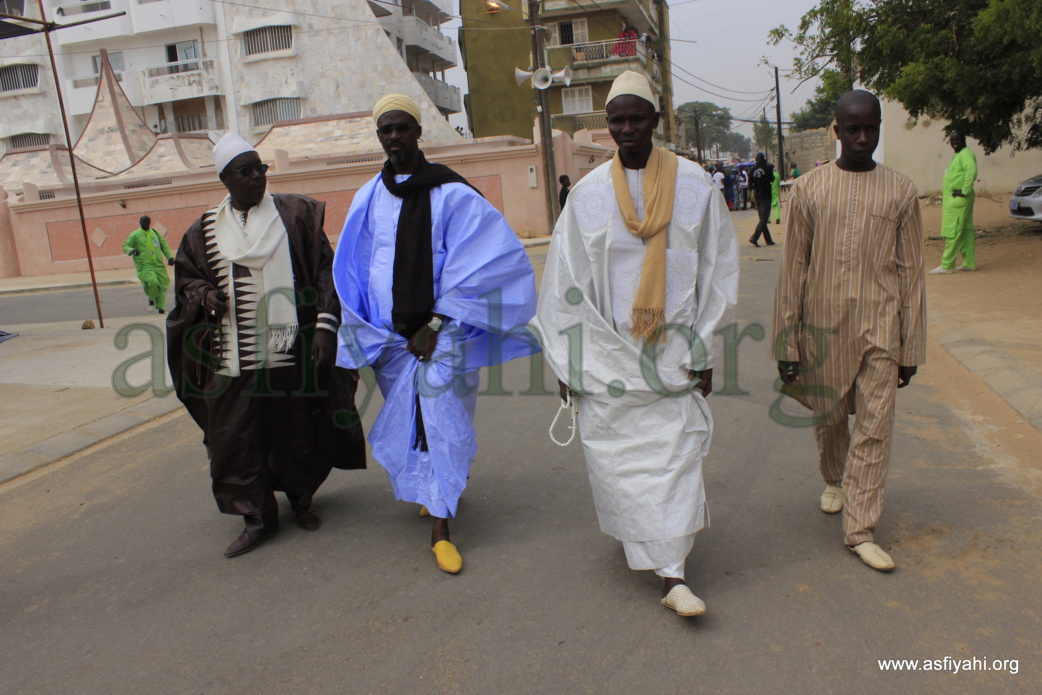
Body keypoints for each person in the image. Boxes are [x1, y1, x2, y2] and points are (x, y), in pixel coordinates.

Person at [532, 71, 739, 617]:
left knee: (673, 458)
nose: (627, 128)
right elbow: (566, 283)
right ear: (608, 125)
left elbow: (717, 272)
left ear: (655, 120)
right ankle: (648, 544)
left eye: (637, 117)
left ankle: (673, 573)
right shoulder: (588, 195)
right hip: (610, 355)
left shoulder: (695, 185)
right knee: (623, 461)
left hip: (673, 350)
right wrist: (569, 357)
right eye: (617, 119)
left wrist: (705, 349)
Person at [334, 94, 538, 575]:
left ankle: (441, 528)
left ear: (418, 132)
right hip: (390, 340)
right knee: (414, 426)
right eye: (386, 129)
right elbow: (355, 268)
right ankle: (433, 488)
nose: (394, 137)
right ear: (379, 136)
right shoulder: (369, 197)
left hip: (436, 335)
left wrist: (433, 323)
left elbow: (483, 262)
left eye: (402, 127)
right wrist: (359, 329)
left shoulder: (451, 194)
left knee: (442, 421)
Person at [166, 133, 366, 558]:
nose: (258, 176)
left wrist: (327, 328)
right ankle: (257, 518)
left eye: (261, 168)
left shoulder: (295, 215)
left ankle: (301, 500)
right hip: (231, 355)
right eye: (247, 170)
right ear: (225, 178)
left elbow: (326, 274)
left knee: (295, 429)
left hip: (290, 350)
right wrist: (205, 296)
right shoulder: (203, 231)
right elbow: (186, 280)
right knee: (234, 437)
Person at [772, 90, 926, 572]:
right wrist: (787, 340)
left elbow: (911, 272)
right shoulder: (809, 190)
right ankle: (835, 479)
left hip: (881, 328)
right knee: (831, 418)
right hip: (823, 330)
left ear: (879, 129)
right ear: (836, 130)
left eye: (871, 129)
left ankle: (861, 529)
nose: (862, 138)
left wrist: (911, 345)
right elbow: (793, 268)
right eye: (853, 129)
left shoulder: (900, 190)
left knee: (876, 427)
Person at [930, 130, 977, 274]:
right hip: (957, 199)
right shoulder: (959, 155)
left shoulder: (965, 154)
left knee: (953, 231)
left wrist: (964, 190)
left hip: (959, 199)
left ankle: (947, 265)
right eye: (952, 140)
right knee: (964, 231)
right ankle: (969, 263)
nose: (954, 143)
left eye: (957, 140)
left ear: (963, 140)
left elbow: (972, 171)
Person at [123, 215, 173, 314]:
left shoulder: (155, 233)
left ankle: (161, 308)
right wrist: (132, 250)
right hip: (145, 264)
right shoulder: (135, 235)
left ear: (150, 222)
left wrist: (170, 257)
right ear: (140, 222)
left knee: (162, 285)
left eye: (147, 222)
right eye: (143, 222)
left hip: (158, 263)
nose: (145, 223)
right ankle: (151, 299)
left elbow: (164, 245)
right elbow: (126, 246)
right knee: (153, 282)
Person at [748, 153, 775, 246]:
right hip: (766, 195)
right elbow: (772, 179)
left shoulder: (752, 170)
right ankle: (754, 237)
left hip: (758, 196)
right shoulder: (768, 168)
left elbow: (750, 186)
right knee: (764, 219)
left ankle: (768, 240)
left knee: (762, 219)